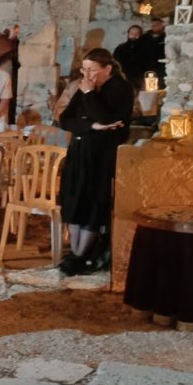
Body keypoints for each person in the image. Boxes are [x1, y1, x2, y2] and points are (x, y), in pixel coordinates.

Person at [58, 48, 134, 276]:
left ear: (107, 69)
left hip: (101, 156)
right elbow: (64, 119)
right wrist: (91, 126)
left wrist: (91, 95)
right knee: (74, 201)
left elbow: (109, 119)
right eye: (84, 69)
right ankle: (75, 252)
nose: (87, 74)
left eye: (92, 69)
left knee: (92, 203)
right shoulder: (84, 87)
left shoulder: (120, 89)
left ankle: (81, 255)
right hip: (79, 152)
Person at [0, 26, 20, 124]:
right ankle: (2, 120)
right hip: (4, 67)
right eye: (15, 32)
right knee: (3, 95)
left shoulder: (9, 42)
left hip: (6, 68)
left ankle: (4, 120)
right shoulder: (4, 41)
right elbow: (3, 53)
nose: (16, 34)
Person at [113, 25, 147, 92]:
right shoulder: (120, 48)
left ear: (140, 35)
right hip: (123, 80)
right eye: (131, 34)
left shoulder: (145, 49)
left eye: (136, 34)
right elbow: (115, 63)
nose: (133, 36)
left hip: (139, 81)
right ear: (128, 34)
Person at [142, 18, 167, 86]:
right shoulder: (144, 38)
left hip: (162, 66)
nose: (155, 26)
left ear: (162, 25)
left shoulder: (166, 37)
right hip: (148, 67)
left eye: (157, 24)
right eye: (153, 25)